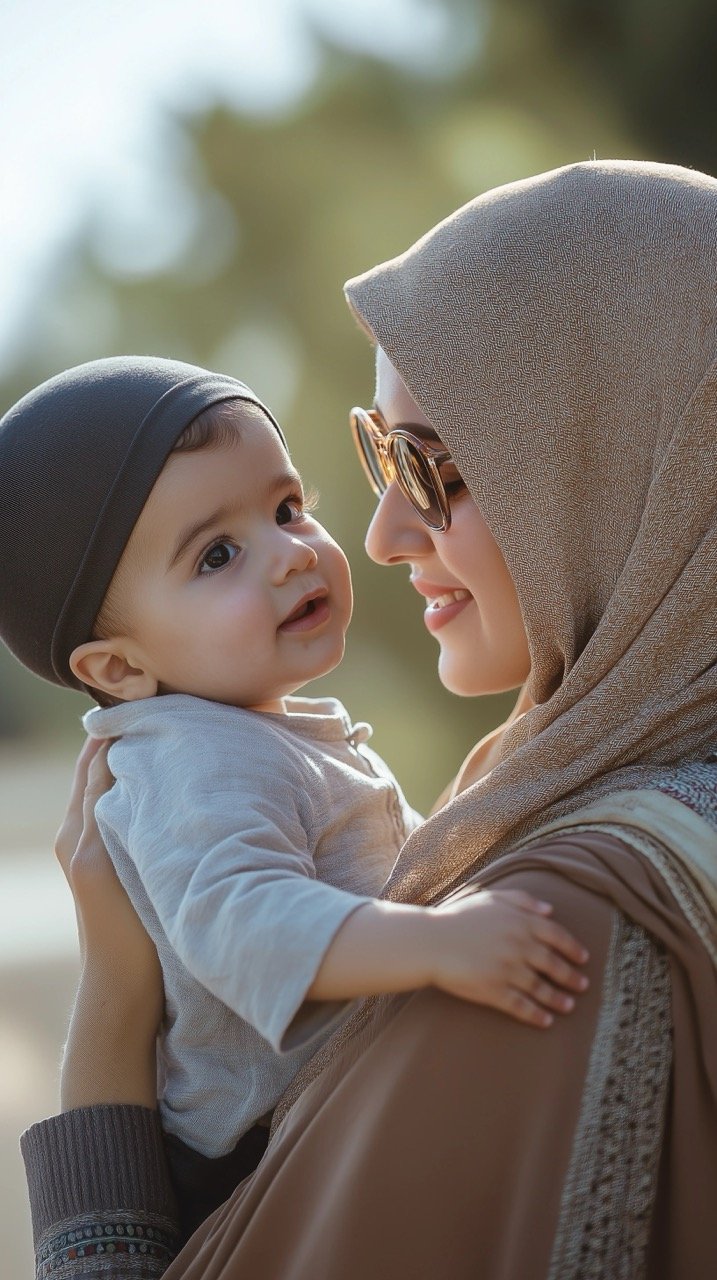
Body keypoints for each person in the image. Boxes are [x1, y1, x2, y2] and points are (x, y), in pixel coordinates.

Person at [20, 158, 717, 1278]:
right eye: (380, 454)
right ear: (114, 662)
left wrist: (114, 1002)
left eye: (437, 465)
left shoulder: (567, 920)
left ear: (621, 452)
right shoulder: (555, 820)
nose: (380, 530)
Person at [0, 357, 588, 1240]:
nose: (289, 554)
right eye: (218, 555)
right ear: (119, 668)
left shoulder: (257, 729)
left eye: (285, 509)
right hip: (253, 1163)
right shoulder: (188, 760)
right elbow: (245, 922)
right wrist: (434, 943)